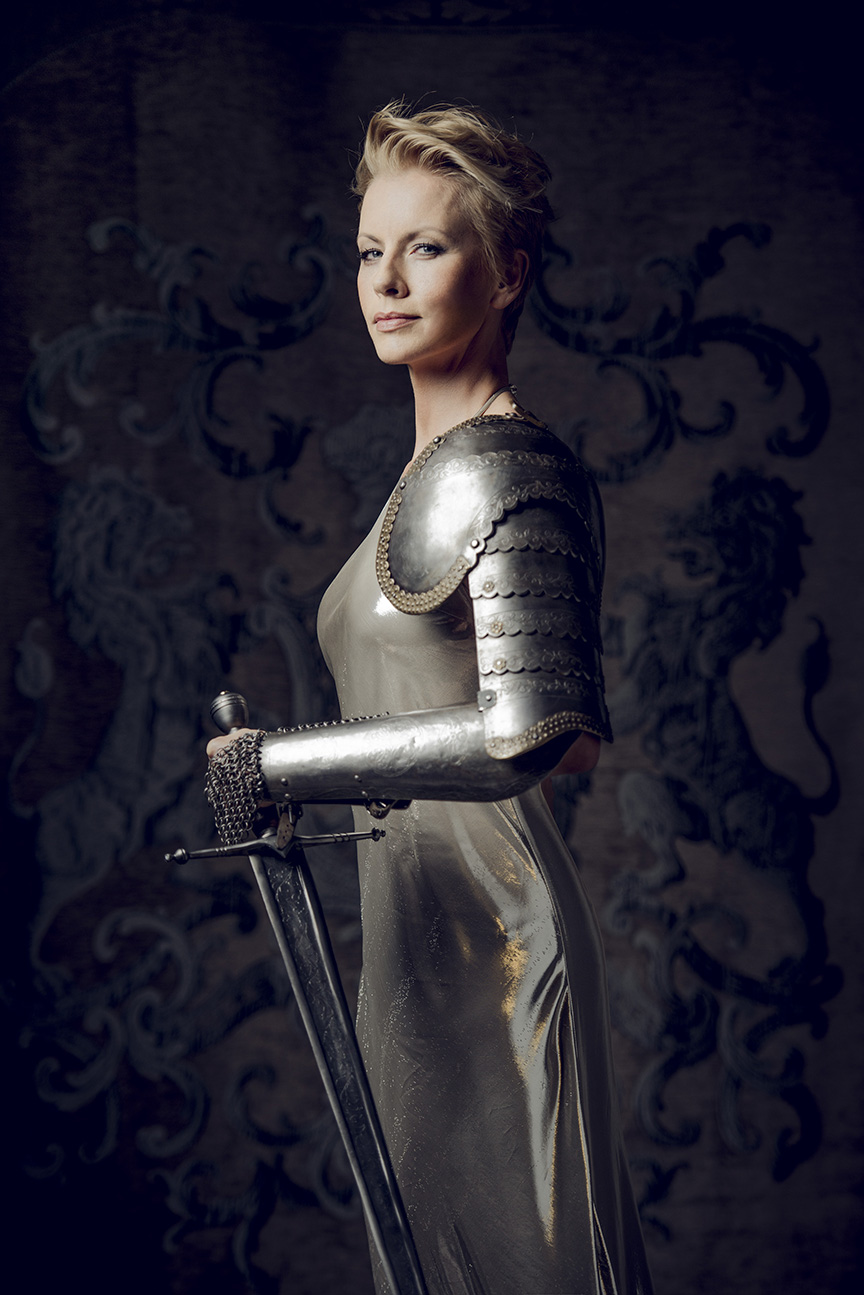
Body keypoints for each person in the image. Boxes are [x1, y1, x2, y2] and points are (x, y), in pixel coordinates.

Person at [207, 102, 653, 1295]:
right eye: (370, 250)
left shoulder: (507, 465)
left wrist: (277, 766)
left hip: (496, 941)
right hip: (405, 936)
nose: (387, 280)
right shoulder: (420, 473)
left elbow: (541, 737)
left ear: (506, 274)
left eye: (428, 247)